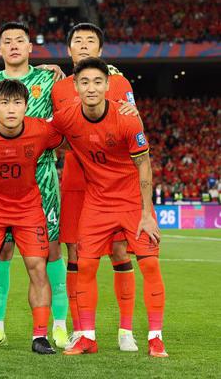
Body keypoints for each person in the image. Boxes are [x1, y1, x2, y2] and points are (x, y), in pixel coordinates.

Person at [51, 57, 167, 358]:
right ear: (76, 86)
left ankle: (155, 337)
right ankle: (87, 337)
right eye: (84, 82)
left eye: (97, 82)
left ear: (107, 86)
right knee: (85, 265)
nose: (91, 88)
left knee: (149, 264)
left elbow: (144, 165)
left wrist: (147, 214)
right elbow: (39, 132)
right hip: (97, 202)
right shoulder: (66, 117)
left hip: (131, 201)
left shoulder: (127, 118)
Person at [0, 21, 68, 348]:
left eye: (19, 40)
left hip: (41, 175)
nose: (13, 46)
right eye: (7, 41)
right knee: (1, 251)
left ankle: (58, 325)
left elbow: (67, 120)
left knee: (50, 249)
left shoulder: (50, 79)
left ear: (30, 47)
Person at [52, 23, 140, 351]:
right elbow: (55, 135)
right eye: (78, 40)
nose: (85, 45)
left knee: (119, 251)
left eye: (91, 41)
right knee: (76, 253)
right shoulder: (59, 88)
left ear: (101, 50)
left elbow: (134, 124)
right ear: (69, 50)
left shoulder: (119, 82)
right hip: (76, 178)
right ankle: (82, 330)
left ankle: (125, 330)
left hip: (114, 182)